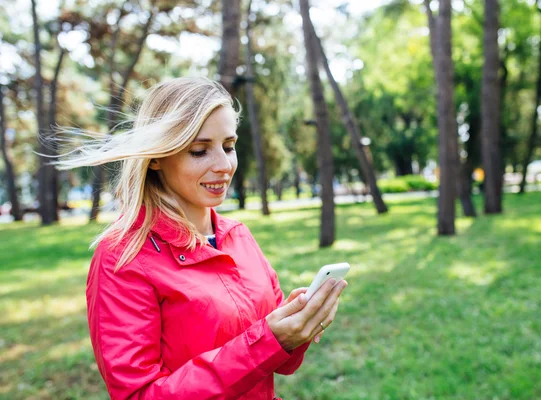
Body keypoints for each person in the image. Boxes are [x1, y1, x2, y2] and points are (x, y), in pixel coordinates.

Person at [55, 77, 347, 399]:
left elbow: (279, 363)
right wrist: (268, 341)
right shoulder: (122, 256)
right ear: (156, 158)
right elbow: (139, 394)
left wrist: (298, 328)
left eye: (229, 146)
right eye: (199, 150)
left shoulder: (238, 236)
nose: (223, 165)